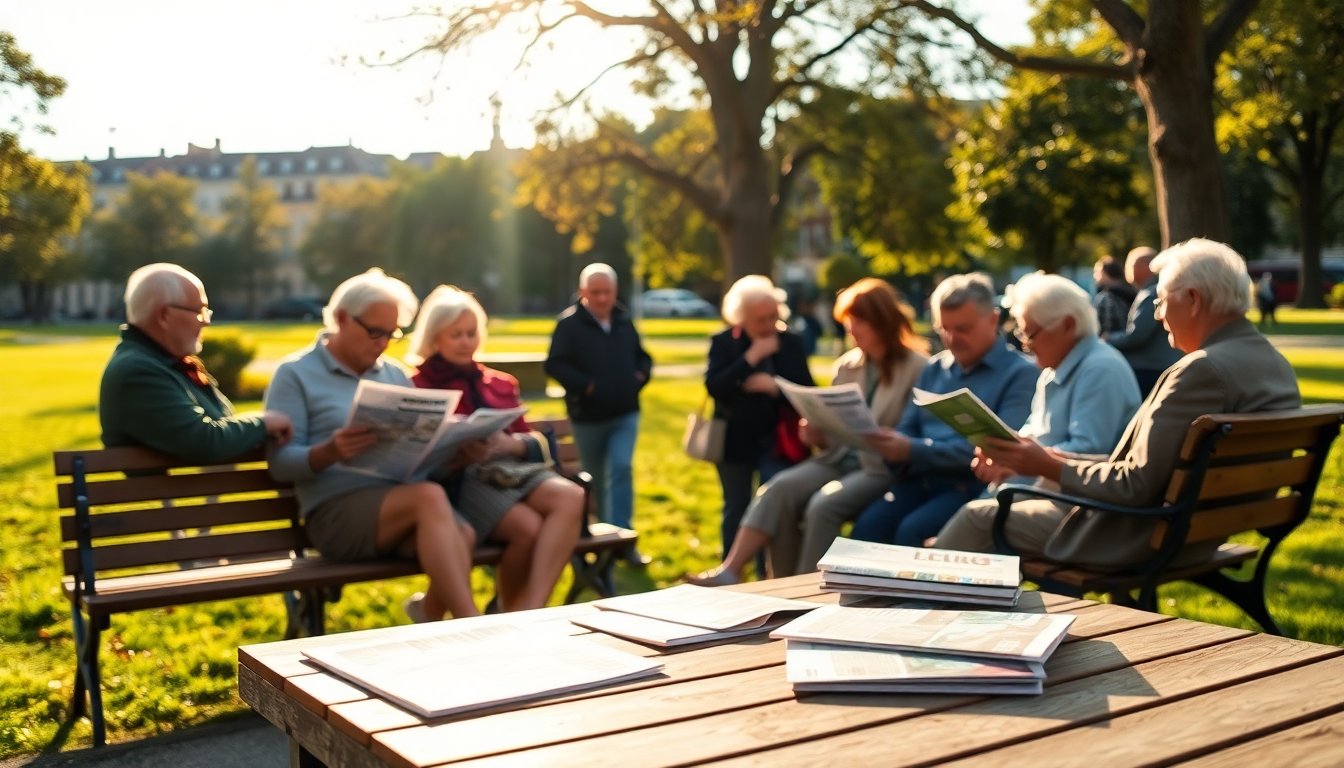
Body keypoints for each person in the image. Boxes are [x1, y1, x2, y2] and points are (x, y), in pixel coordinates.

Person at [936, 239, 1301, 569]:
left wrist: (1046, 463)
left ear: (1193, 300)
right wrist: (1044, 459)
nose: (1157, 314)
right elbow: (1139, 472)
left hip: (1139, 537)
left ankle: (912, 620)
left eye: (1160, 299)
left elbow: (1134, 485)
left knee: (976, 518)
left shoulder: (1200, 371)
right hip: (1201, 529)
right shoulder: (1274, 364)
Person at [265, 268, 480, 623]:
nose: (382, 343)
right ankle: (472, 624)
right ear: (340, 318)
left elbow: (421, 457)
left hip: (402, 507)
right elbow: (280, 463)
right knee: (429, 498)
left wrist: (453, 453)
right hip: (335, 514)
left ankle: (429, 619)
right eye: (374, 332)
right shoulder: (295, 373)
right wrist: (327, 452)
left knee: (464, 531)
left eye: (391, 334)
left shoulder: (394, 374)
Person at [685, 278, 928, 585]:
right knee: (778, 489)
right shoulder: (848, 365)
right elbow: (835, 422)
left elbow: (914, 432)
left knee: (821, 505)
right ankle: (738, 572)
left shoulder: (918, 367)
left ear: (882, 321)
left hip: (879, 466)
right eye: (848, 321)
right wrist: (817, 434)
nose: (850, 329)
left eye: (858, 321)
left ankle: (804, 591)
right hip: (836, 457)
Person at [406, 285, 583, 611]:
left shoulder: (500, 383)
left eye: (471, 333)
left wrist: (510, 445)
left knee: (572, 496)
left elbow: (533, 442)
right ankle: (507, 612)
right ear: (434, 337)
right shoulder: (417, 385)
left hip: (510, 472)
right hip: (459, 483)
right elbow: (411, 454)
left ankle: (530, 608)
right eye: (455, 334)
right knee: (527, 528)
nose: (465, 341)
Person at [936, 273, 1141, 543]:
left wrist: (1021, 463)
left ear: (1068, 325)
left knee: (971, 522)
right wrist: (1004, 456)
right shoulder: (1055, 367)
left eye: (1030, 333)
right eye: (1021, 333)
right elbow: (1034, 433)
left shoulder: (1100, 370)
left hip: (1084, 509)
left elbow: (1087, 455)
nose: (1025, 344)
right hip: (1049, 494)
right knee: (964, 525)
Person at [848, 272, 1037, 548]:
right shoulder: (935, 368)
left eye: (963, 328)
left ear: (993, 319)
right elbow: (908, 426)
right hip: (919, 481)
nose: (951, 338)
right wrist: (894, 444)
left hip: (970, 487)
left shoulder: (1020, 374)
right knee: (868, 529)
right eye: (943, 329)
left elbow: (1000, 448)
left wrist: (911, 449)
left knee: (911, 533)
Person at [99, 263, 293, 461]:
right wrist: (265, 423)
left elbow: (222, 421)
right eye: (199, 311)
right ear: (164, 316)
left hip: (178, 490)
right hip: (164, 492)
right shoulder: (137, 372)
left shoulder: (165, 362)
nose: (206, 321)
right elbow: (207, 441)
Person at [544, 263, 654, 566]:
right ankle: (604, 539)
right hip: (588, 417)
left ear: (615, 291)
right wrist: (587, 387)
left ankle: (623, 539)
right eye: (596, 292)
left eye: (607, 292)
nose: (603, 298)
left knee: (620, 468)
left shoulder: (622, 320)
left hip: (625, 413)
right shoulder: (569, 325)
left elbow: (642, 356)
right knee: (595, 481)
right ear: (583, 292)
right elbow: (555, 365)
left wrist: (641, 375)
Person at [701, 275, 815, 565]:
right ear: (740, 319)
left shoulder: (790, 342)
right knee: (736, 507)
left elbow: (807, 391)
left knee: (770, 506)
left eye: (772, 317)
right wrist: (750, 358)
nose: (768, 326)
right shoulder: (724, 342)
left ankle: (769, 572)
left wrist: (775, 387)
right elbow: (715, 386)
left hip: (778, 441)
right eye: (759, 320)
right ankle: (730, 573)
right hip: (734, 440)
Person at [1105, 246, 1182, 397]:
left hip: (1149, 371)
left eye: (1130, 264)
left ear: (1147, 266)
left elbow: (1137, 335)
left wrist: (1108, 338)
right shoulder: (1150, 291)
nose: (1126, 269)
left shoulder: (1151, 293)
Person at [1093, 256, 1137, 336]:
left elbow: (1104, 331)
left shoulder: (1106, 297)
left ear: (1104, 273)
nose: (1094, 276)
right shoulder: (1133, 292)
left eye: (1097, 272)